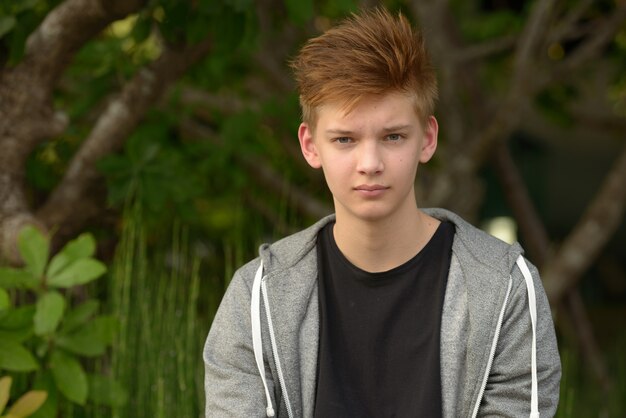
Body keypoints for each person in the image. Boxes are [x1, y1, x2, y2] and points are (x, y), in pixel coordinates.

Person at [203, 7, 561, 418]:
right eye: (344, 139)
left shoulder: (505, 289)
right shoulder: (259, 296)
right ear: (310, 145)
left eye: (393, 136)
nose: (369, 162)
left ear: (427, 139)